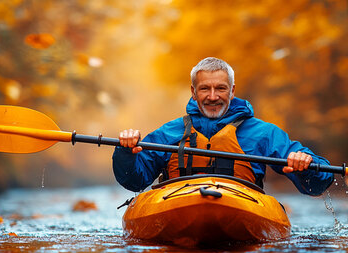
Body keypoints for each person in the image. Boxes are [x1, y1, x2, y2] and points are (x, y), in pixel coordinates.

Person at [113, 57, 333, 195]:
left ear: (232, 91)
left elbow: (317, 185)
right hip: (176, 203)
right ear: (193, 92)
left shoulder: (264, 133)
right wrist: (125, 152)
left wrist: (307, 165)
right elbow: (135, 181)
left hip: (241, 205)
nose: (212, 96)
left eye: (220, 88)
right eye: (204, 89)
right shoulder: (169, 132)